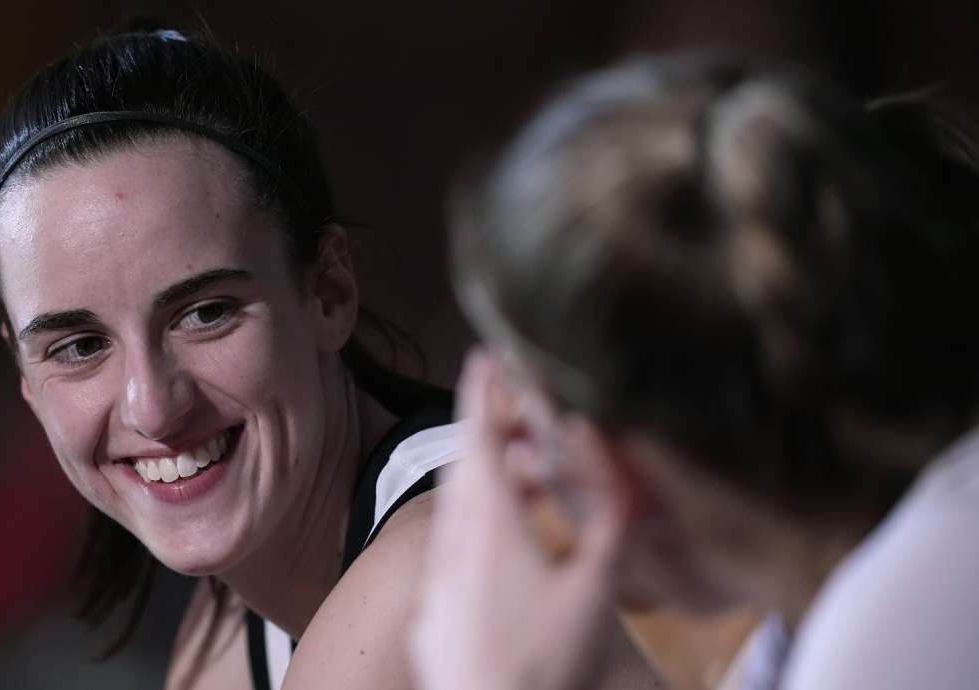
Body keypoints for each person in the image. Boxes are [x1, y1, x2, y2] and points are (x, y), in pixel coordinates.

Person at [0, 20, 662, 690]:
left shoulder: (433, 565)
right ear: (23, 373)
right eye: (79, 347)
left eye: (205, 313)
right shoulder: (234, 623)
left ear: (328, 291)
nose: (154, 406)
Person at [411, 56, 979, 690]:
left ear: (604, 460)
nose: (512, 470)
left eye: (520, 418)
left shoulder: (895, 636)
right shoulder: (853, 591)